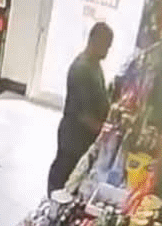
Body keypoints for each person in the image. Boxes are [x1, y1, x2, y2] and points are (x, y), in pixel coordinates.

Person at [48, 22, 114, 194]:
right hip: (74, 137)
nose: (107, 51)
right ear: (94, 40)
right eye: (105, 46)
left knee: (73, 177)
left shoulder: (95, 65)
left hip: (83, 137)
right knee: (63, 175)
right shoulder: (81, 69)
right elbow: (83, 115)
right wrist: (105, 133)